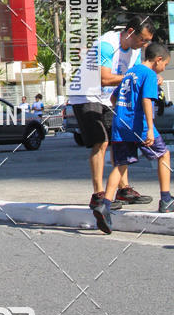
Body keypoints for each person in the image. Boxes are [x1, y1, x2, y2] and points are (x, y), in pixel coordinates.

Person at [68, 16, 155, 211]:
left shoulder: (135, 51)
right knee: (101, 141)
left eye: (148, 41)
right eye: (143, 39)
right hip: (85, 95)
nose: (145, 44)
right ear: (131, 32)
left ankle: (123, 189)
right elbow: (105, 79)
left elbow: (132, 79)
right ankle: (98, 194)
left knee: (119, 141)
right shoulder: (107, 44)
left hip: (107, 98)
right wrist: (134, 77)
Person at [94, 42, 174, 234]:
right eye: (165, 65)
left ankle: (105, 205)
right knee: (164, 155)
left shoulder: (130, 73)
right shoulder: (149, 75)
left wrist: (124, 110)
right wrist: (148, 128)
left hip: (121, 124)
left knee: (120, 165)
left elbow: (114, 99)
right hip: (140, 125)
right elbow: (147, 100)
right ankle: (166, 199)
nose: (164, 69)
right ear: (158, 60)